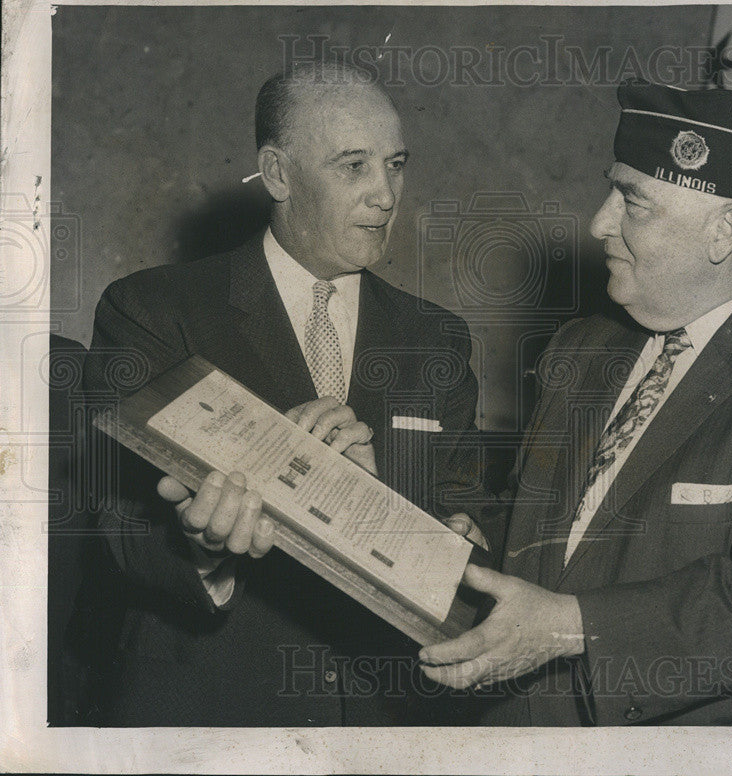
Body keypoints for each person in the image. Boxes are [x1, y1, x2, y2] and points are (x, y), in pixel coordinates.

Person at [416, 81, 732, 725]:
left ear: (723, 232)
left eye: (633, 202)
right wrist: (467, 532)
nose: (598, 223)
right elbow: (546, 526)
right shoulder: (582, 347)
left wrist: (569, 629)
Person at [82, 63, 490, 726]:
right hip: (209, 714)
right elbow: (122, 530)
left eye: (395, 164)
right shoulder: (153, 311)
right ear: (277, 175)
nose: (385, 196)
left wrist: (384, 508)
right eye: (354, 166)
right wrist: (205, 548)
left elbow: (476, 545)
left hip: (380, 720)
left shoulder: (436, 338)